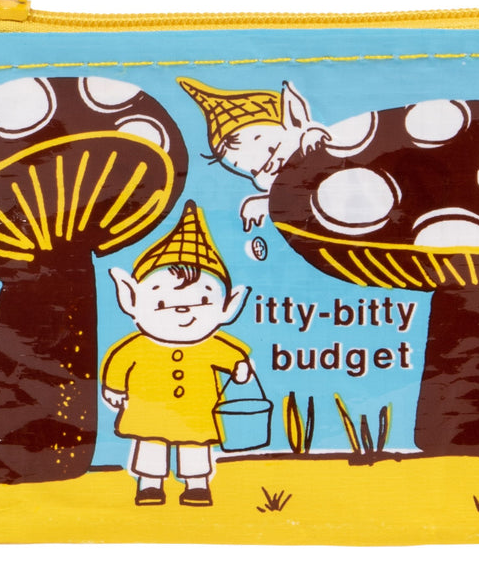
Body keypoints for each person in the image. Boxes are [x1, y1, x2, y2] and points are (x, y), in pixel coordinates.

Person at [101, 200, 253, 506]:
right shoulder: (136, 346)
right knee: (150, 446)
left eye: (202, 302)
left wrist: (240, 369)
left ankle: (197, 485)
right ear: (130, 300)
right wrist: (114, 389)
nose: (183, 310)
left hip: (197, 411)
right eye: (162, 304)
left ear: (228, 307)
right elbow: (119, 364)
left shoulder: (211, 345)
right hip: (148, 411)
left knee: (196, 448)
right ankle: (149, 485)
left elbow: (235, 359)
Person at [178, 77, 330, 231]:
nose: (268, 168)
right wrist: (267, 203)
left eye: (271, 149)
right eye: (254, 171)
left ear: (295, 118)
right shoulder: (291, 184)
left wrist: (313, 138)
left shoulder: (316, 144)